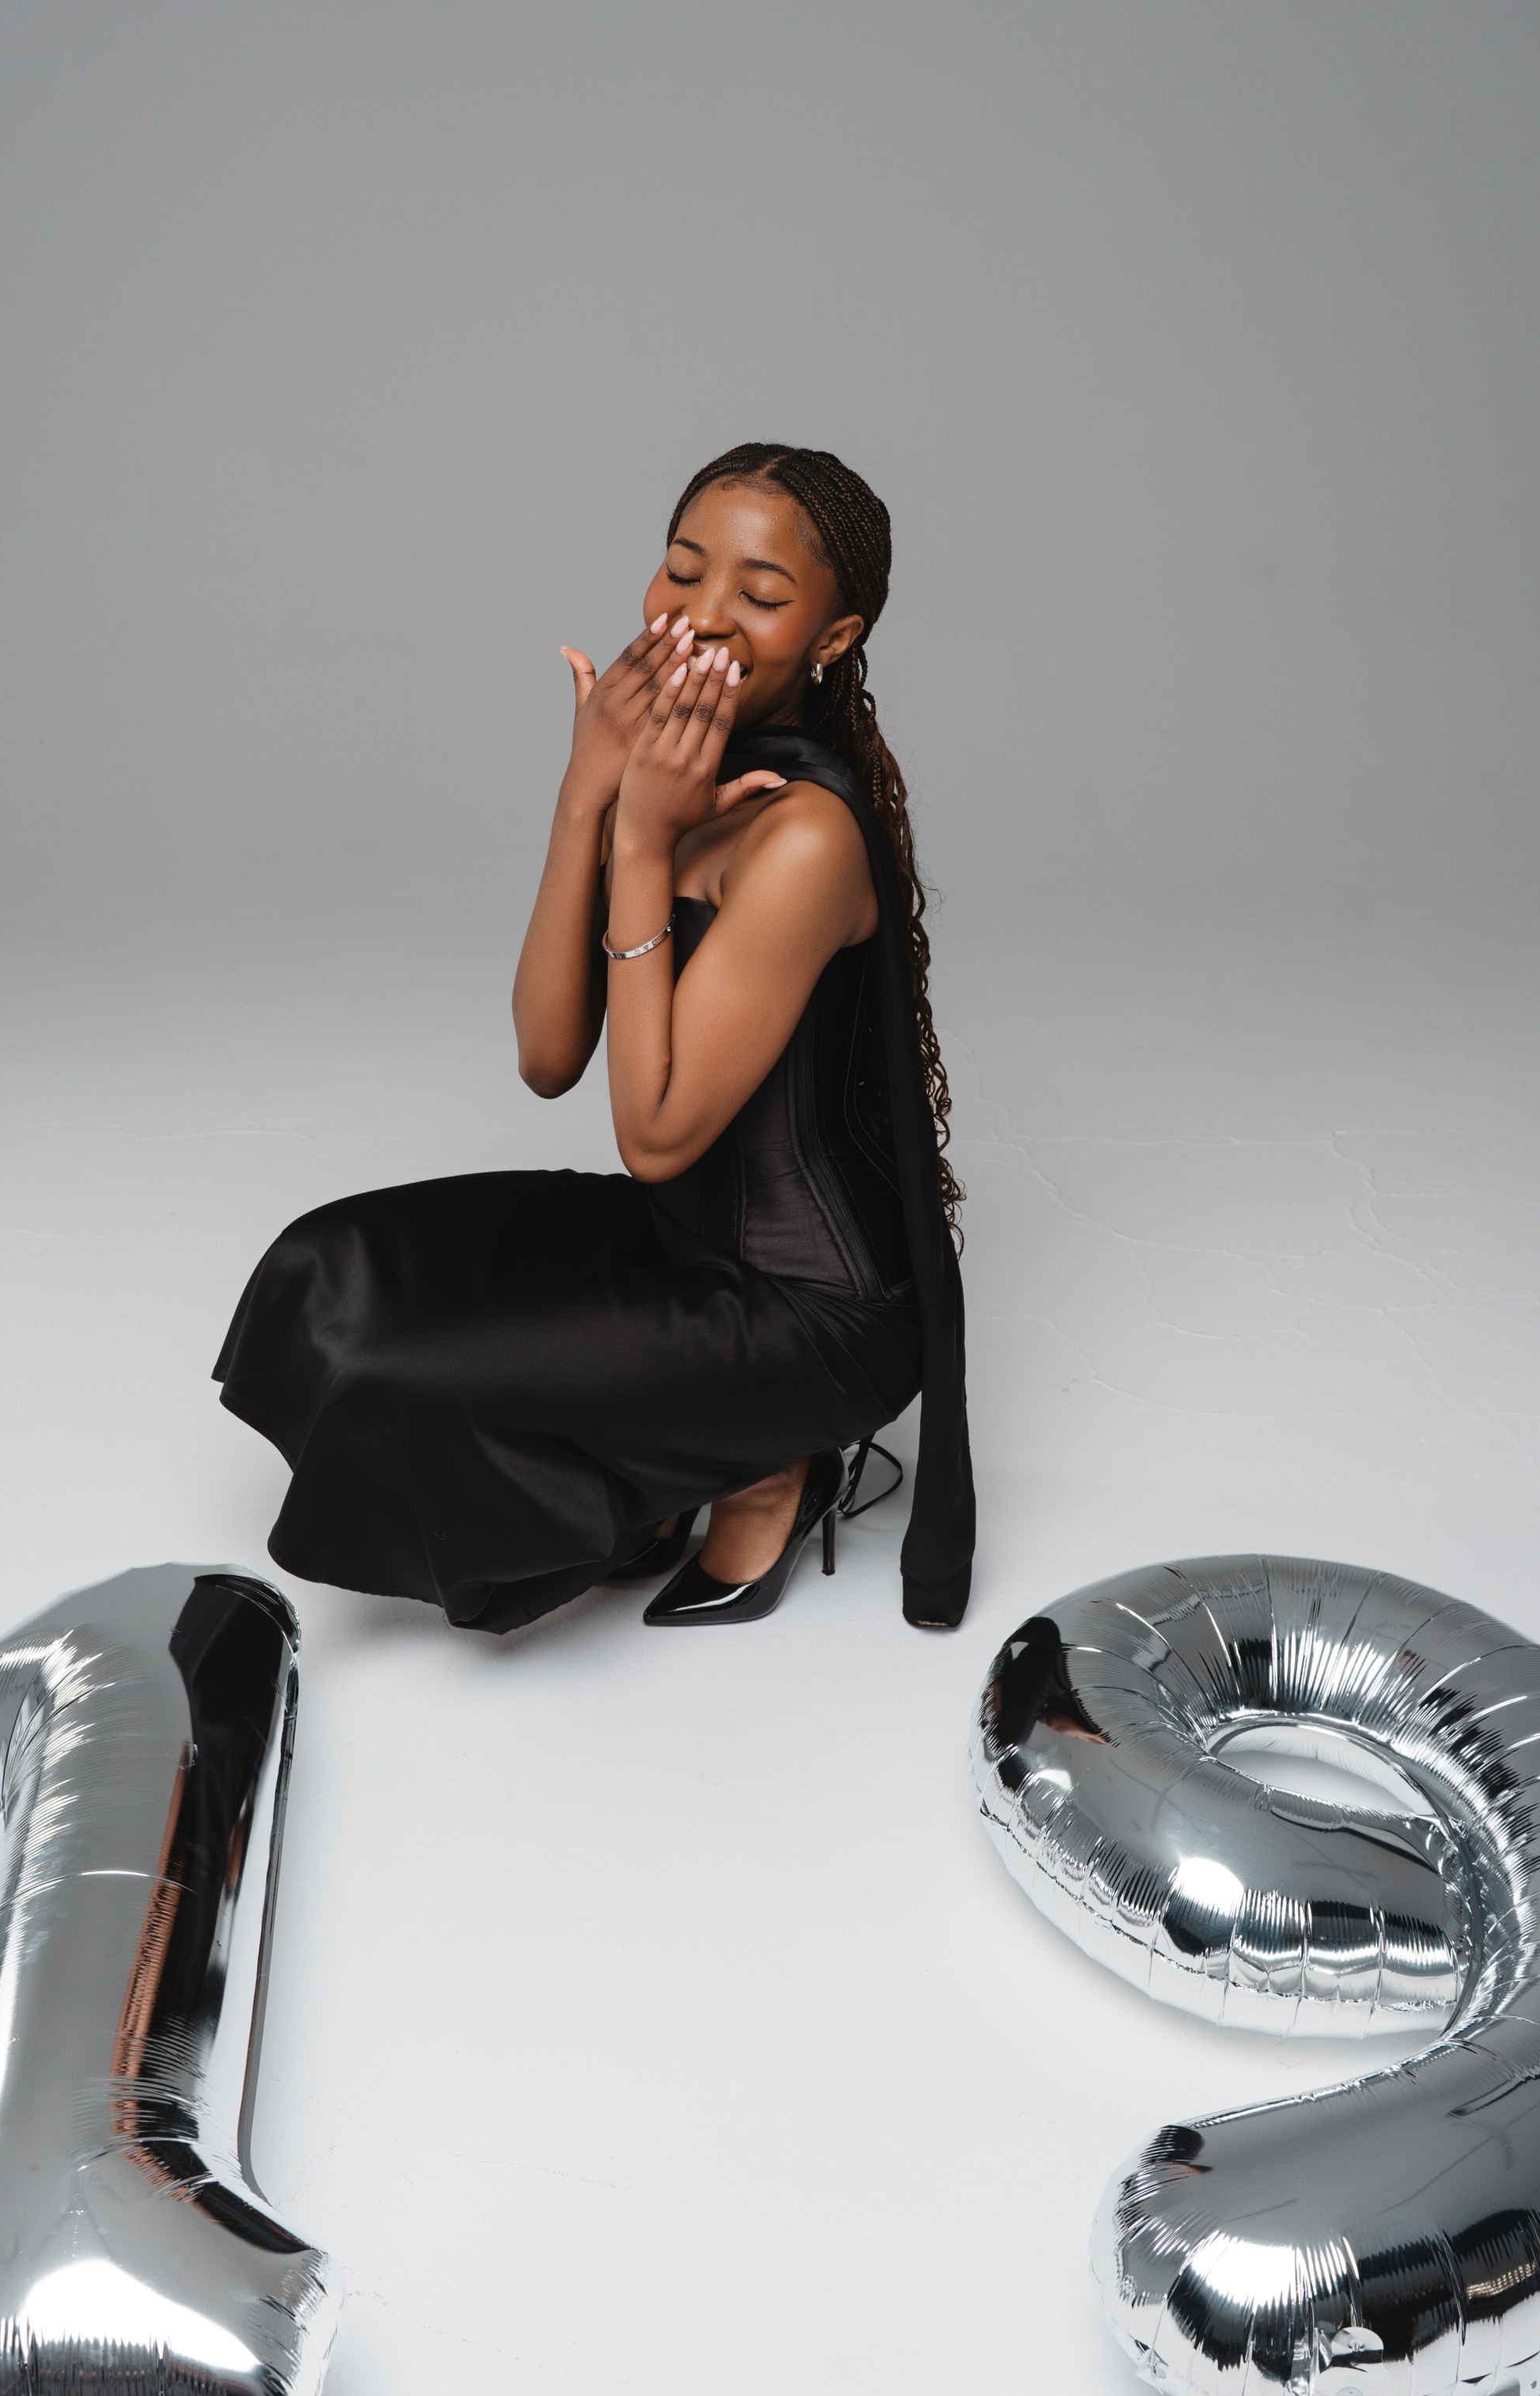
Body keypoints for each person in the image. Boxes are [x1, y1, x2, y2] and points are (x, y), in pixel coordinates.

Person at [213, 443, 973, 1634]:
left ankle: (772, 1458)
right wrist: (589, 794)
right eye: (683, 569)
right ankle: (677, 1454)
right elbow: (547, 1057)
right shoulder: (672, 776)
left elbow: (656, 1136)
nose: (702, 615)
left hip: (812, 1315)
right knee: (327, 1270)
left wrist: (644, 842)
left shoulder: (807, 838)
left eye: (761, 595)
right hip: (680, 1250)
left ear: (833, 638)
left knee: (407, 1381)